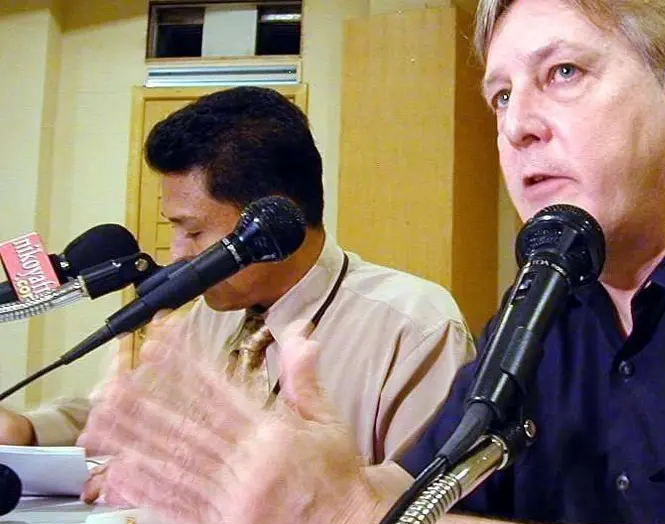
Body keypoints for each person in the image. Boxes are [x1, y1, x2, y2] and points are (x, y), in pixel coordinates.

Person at [78, 0, 665, 524]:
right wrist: (292, 487)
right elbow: (411, 486)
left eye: (563, 73)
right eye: (502, 95)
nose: (517, 126)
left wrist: (348, 518)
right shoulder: (551, 291)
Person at [0, 86, 474, 498]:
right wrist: (27, 428)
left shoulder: (412, 328)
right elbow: (130, 414)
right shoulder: (212, 312)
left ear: (273, 224)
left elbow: (426, 505)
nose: (179, 254)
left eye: (193, 232)